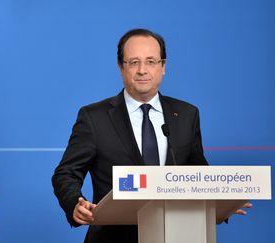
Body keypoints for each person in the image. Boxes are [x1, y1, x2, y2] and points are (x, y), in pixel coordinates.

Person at [51, 28, 251, 243]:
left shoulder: (186, 114)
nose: (142, 70)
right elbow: (66, 173)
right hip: (113, 237)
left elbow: (197, 173)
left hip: (177, 235)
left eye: (151, 61)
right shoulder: (94, 117)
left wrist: (220, 203)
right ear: (121, 67)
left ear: (163, 67)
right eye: (134, 62)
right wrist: (75, 204)